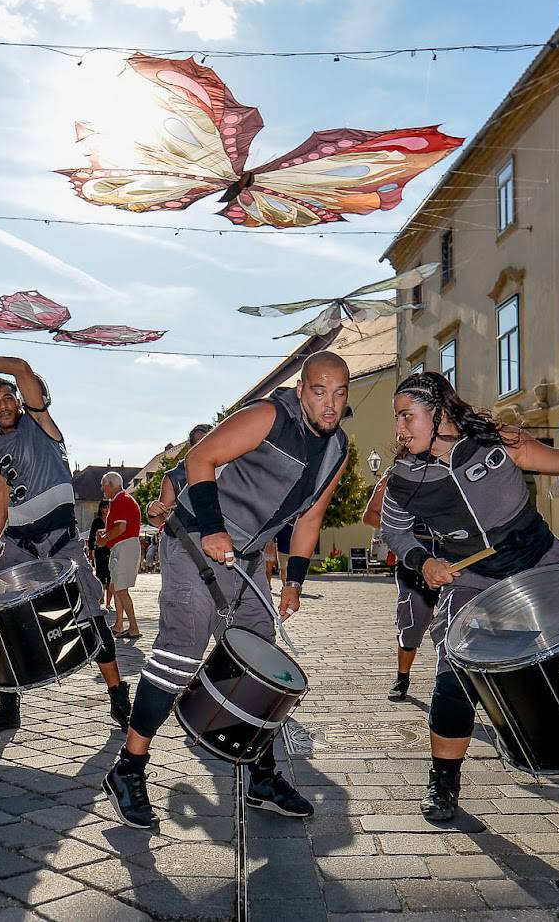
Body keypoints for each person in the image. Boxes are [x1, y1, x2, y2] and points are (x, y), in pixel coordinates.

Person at [377, 372, 559, 821]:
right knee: (455, 675)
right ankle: (443, 785)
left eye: (406, 416)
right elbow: (392, 529)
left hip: (540, 560)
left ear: (438, 411)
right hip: (472, 581)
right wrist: (422, 562)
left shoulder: (496, 439)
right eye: (397, 418)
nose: (400, 428)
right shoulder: (402, 477)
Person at [105, 353, 352, 830]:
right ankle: (128, 769)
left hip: (249, 560)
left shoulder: (337, 449)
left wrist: (294, 580)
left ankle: (260, 776)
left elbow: (310, 518)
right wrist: (215, 529)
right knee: (180, 653)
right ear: (302, 390)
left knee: (261, 665)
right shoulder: (269, 414)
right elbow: (201, 458)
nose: (330, 403)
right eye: (320, 391)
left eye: (340, 393)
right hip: (199, 540)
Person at [0, 354, 131, 738]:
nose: (2, 405)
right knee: (0, 621)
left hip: (61, 542)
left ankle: (117, 694)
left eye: (7, 397)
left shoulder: (41, 425)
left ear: (21, 400)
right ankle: (8, 707)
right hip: (18, 544)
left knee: (89, 614)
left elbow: (22, 368)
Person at [361, 471, 438, 701]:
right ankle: (402, 677)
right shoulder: (394, 476)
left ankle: (452, 681)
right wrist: (401, 529)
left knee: (457, 622)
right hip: (413, 558)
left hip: (453, 556)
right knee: (412, 620)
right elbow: (369, 516)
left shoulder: (453, 467)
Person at [99, 473, 143, 639]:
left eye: (103, 485)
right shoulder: (121, 500)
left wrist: (103, 539)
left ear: (111, 485)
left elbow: (120, 528)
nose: (103, 489)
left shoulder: (121, 500)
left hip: (124, 547)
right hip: (123, 546)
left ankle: (133, 627)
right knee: (115, 587)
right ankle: (119, 625)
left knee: (121, 589)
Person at [88, 499, 114, 610]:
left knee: (111, 577)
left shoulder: (113, 521)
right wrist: (91, 551)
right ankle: (100, 597)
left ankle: (108, 602)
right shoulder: (97, 522)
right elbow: (91, 537)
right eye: (104, 507)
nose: (106, 510)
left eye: (108, 507)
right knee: (100, 575)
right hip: (100, 551)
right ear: (100, 509)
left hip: (111, 550)